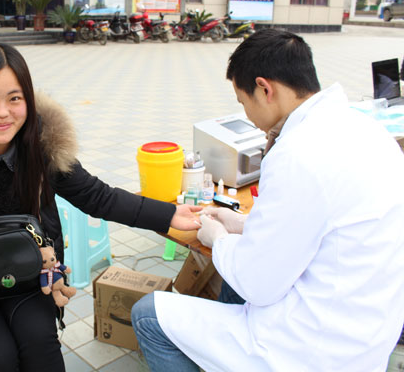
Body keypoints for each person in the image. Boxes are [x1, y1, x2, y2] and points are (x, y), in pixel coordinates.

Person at [0, 42, 201, 372]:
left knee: (41, 345)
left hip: (25, 268)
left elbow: (98, 196)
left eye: (15, 99)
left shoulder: (40, 144)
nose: (3, 112)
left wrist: (168, 214)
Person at [131, 29, 404, 371]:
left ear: (264, 89)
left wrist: (218, 238)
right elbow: (320, 223)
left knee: (148, 314)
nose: (247, 115)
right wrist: (244, 223)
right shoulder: (367, 129)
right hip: (368, 332)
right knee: (231, 286)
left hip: (313, 350)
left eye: (243, 103)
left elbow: (257, 284)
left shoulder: (298, 153)